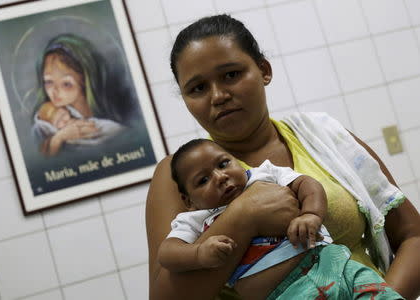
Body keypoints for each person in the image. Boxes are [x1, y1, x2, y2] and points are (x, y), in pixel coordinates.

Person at [146, 14, 420, 300]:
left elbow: (413, 236)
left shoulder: (323, 135)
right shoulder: (181, 175)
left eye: (231, 75)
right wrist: (245, 215)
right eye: (198, 88)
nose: (218, 96)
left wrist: (383, 295)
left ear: (264, 70)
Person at [158, 138, 403, 299]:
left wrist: (310, 214)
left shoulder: (264, 174)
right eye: (203, 180)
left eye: (224, 164)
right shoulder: (195, 219)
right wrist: (199, 254)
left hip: (333, 263)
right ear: (188, 200)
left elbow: (307, 184)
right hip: (285, 294)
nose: (220, 177)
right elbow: (167, 253)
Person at [32, 34, 128, 155]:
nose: (54, 91)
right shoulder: (45, 121)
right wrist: (59, 137)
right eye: (49, 82)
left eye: (66, 84)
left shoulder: (108, 121)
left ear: (84, 81)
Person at [35, 101, 124, 155]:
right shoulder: (59, 133)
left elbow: (91, 126)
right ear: (53, 126)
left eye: (63, 115)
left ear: (67, 110)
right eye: (58, 122)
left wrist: (85, 127)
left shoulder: (75, 120)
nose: (64, 120)